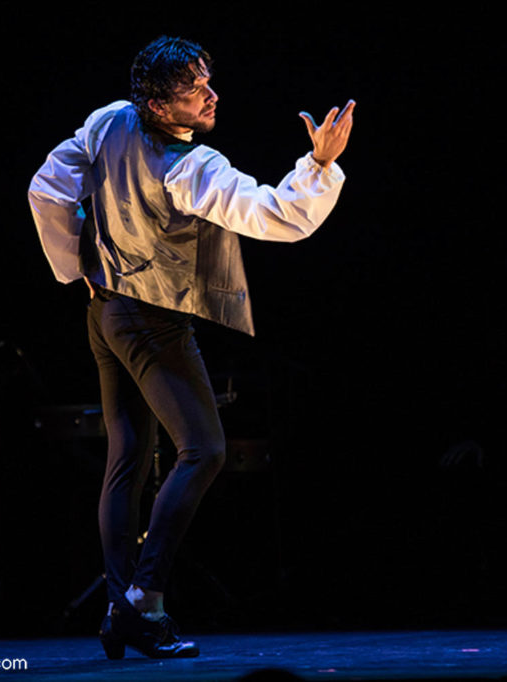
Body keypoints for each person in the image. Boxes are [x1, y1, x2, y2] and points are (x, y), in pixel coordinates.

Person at [27, 35, 354, 659]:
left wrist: (79, 268)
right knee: (204, 450)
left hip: (106, 312)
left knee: (128, 456)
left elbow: (46, 191)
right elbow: (278, 215)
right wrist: (318, 165)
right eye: (194, 91)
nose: (211, 96)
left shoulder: (108, 122)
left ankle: (120, 611)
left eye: (207, 82)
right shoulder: (190, 167)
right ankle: (144, 600)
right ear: (157, 104)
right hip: (150, 320)